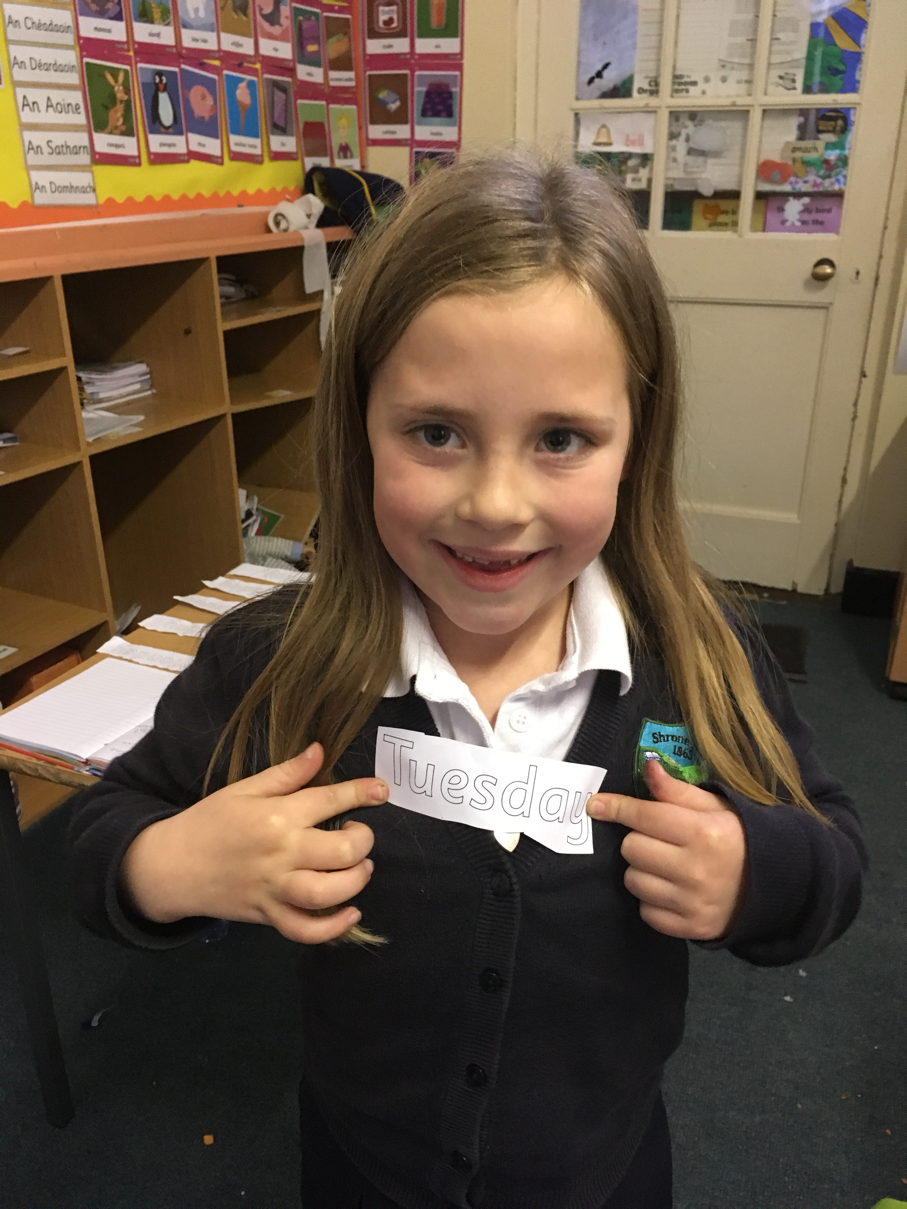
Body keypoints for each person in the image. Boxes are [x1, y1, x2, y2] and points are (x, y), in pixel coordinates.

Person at [67, 150, 865, 1209]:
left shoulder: (697, 656)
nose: (494, 504)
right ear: (360, 430)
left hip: (603, 1172)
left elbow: (834, 848)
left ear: (635, 443)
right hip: (362, 1167)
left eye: (561, 438)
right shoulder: (278, 661)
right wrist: (165, 866)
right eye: (436, 432)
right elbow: (99, 835)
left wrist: (754, 870)